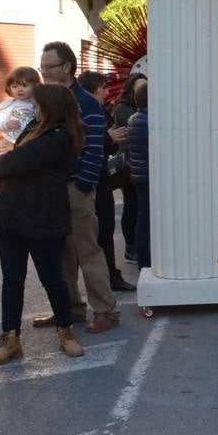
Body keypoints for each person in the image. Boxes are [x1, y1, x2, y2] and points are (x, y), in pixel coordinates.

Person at [0, 83, 88, 364]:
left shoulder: (59, 135)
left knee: (52, 278)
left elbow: (7, 166)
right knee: (12, 279)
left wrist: (1, 161)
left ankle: (66, 332)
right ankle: (10, 339)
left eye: (36, 102)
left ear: (50, 106)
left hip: (44, 217)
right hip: (11, 215)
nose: (32, 106)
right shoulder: (34, 126)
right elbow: (4, 154)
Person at [32, 42, 119, 334]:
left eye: (49, 67)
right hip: (51, 187)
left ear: (66, 67)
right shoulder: (45, 101)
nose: (43, 72)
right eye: (42, 67)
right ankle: (68, 310)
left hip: (75, 187)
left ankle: (106, 311)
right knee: (60, 253)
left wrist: (84, 185)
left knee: (87, 250)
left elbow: (95, 148)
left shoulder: (88, 103)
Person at [78, 71, 134, 293]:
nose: (107, 91)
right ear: (92, 90)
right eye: (103, 87)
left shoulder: (103, 112)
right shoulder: (80, 112)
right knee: (89, 236)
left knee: (105, 231)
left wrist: (111, 140)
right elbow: (78, 144)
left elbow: (109, 148)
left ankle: (111, 276)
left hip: (101, 180)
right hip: (85, 182)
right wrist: (106, 138)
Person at [112, 70, 145, 264]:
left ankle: (137, 245)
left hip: (140, 163)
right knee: (132, 206)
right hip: (129, 164)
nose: (142, 90)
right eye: (139, 87)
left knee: (139, 207)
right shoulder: (124, 109)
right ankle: (130, 247)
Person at [127, 79, 151, 269]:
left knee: (142, 218)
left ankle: (143, 258)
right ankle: (145, 260)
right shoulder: (150, 121)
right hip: (150, 176)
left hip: (139, 175)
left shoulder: (133, 119)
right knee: (146, 220)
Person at [0, 66, 38, 146]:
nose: (19, 90)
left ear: (35, 86)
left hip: (30, 142)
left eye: (24, 86)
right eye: (15, 86)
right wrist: (6, 124)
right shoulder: (8, 104)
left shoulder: (39, 103)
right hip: (10, 140)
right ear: (9, 88)